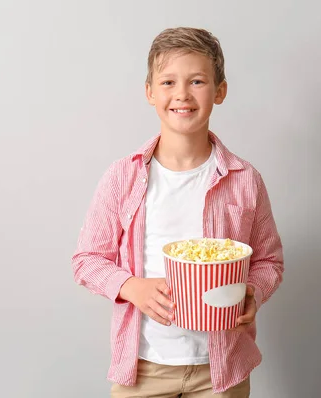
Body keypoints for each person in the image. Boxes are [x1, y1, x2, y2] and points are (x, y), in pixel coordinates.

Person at [72, 27, 284, 397]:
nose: (182, 94)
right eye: (168, 82)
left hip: (221, 369)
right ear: (150, 92)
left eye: (197, 81)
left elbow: (269, 261)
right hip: (144, 367)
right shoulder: (123, 177)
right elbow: (87, 259)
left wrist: (253, 291)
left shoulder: (244, 179)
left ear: (220, 91)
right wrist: (130, 287)